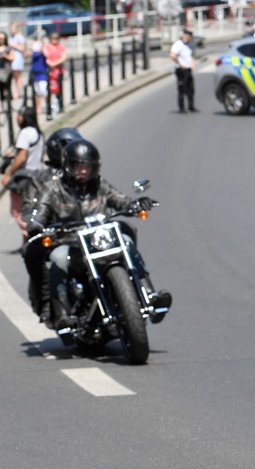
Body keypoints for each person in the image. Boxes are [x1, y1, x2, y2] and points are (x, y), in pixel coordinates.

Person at [29, 139, 172, 330]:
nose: (83, 171)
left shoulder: (98, 184)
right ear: (68, 165)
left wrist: (135, 205)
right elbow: (41, 209)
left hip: (99, 238)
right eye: (78, 166)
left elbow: (119, 199)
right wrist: (37, 224)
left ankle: (149, 295)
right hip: (70, 242)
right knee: (58, 258)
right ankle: (63, 315)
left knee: (127, 241)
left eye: (87, 167)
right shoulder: (54, 188)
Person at [20, 126, 82, 316]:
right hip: (57, 234)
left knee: (125, 231)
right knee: (31, 251)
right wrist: (35, 224)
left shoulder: (83, 173)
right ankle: (47, 302)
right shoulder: (41, 180)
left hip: (86, 231)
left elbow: (103, 194)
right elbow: (30, 206)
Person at [1, 107, 44, 248]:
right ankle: (27, 242)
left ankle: (30, 238)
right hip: (36, 175)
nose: (17, 118)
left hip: (23, 178)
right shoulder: (38, 132)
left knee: (17, 211)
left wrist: (8, 174)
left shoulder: (25, 133)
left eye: (19, 115)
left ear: (24, 117)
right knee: (30, 208)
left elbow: (21, 157)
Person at [170, 29, 197, 113]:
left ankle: (191, 106)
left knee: (191, 88)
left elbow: (189, 56)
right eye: (189, 37)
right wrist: (180, 64)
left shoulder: (188, 45)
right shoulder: (178, 44)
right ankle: (181, 108)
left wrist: (192, 63)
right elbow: (172, 55)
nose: (190, 39)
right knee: (182, 89)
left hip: (188, 69)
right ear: (186, 36)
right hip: (181, 70)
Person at [42, 32, 66, 117]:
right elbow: (46, 56)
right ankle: (50, 108)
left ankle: (60, 106)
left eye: (56, 39)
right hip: (50, 72)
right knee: (49, 90)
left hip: (58, 71)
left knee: (59, 90)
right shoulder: (47, 47)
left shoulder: (61, 47)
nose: (54, 40)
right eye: (53, 39)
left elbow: (63, 58)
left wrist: (54, 63)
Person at [29, 35, 48, 120]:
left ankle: (49, 105)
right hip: (35, 73)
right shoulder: (33, 51)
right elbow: (27, 55)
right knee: (37, 93)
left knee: (44, 91)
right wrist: (31, 48)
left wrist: (42, 47)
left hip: (42, 73)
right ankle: (38, 108)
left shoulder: (43, 50)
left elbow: (47, 55)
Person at [9, 22, 25, 102]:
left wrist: (13, 46)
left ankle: (18, 92)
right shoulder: (12, 37)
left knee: (18, 76)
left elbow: (22, 48)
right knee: (14, 77)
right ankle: (16, 91)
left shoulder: (20, 37)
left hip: (18, 58)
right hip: (13, 58)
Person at [0, 33, 14, 117]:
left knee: (8, 89)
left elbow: (12, 57)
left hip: (7, 71)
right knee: (1, 90)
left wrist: (5, 55)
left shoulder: (8, 48)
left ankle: (10, 105)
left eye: (2, 38)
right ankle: (2, 106)